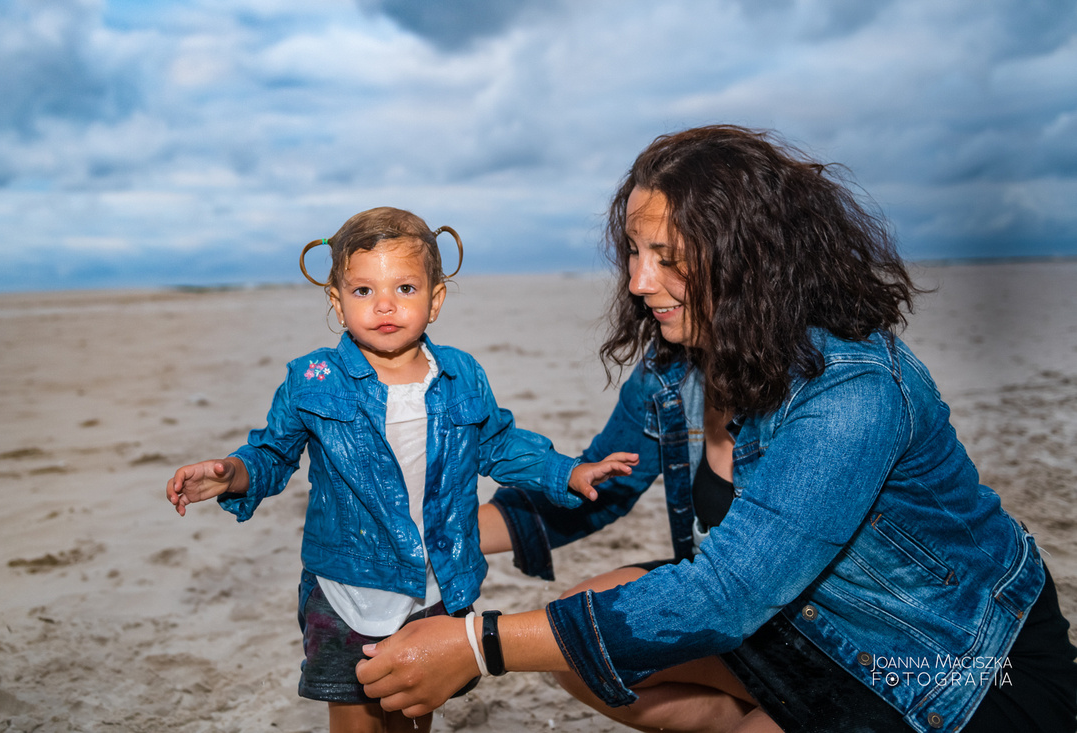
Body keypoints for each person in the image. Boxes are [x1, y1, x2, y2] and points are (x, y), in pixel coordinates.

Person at [356, 128, 1077, 733]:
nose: (638, 281)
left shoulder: (853, 390)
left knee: (563, 633)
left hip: (951, 666)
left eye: (666, 256)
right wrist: (429, 530)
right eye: (633, 252)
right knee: (579, 630)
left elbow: (725, 593)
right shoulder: (678, 367)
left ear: (752, 255)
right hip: (803, 621)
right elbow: (599, 484)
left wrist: (478, 645)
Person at [164, 207, 638, 733]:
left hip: (436, 581)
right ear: (336, 301)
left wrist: (567, 473)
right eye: (363, 291)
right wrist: (234, 473)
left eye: (405, 289)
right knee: (355, 717)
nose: (385, 305)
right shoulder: (312, 379)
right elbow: (274, 454)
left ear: (435, 299)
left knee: (414, 709)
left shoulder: (462, 376)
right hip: (345, 584)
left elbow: (499, 443)